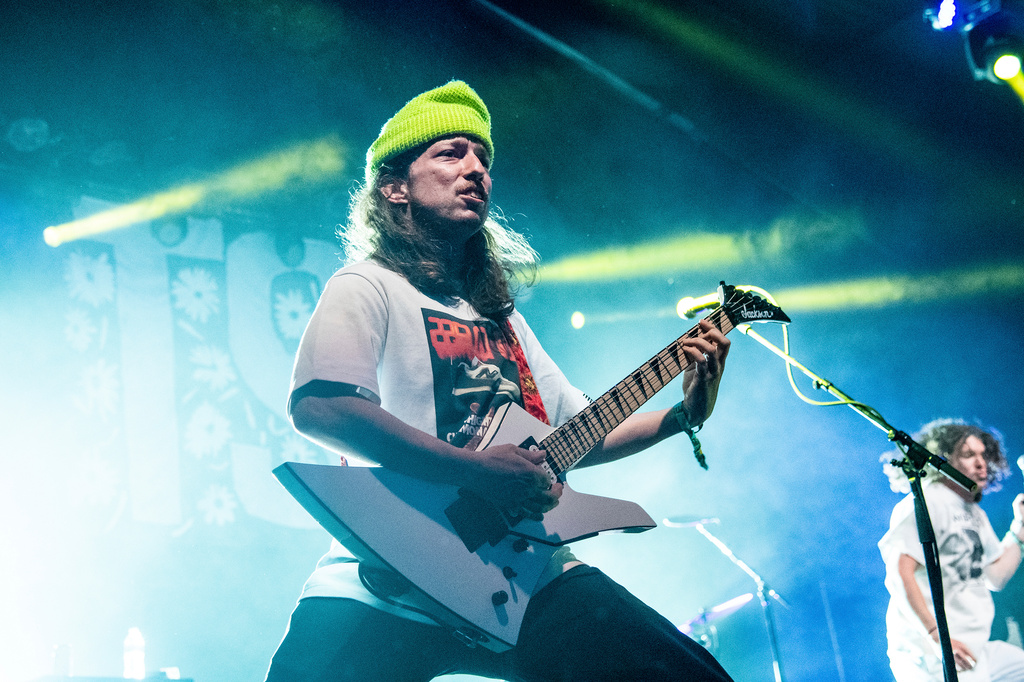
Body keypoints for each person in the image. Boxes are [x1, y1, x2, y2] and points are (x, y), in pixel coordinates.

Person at [264, 80, 734, 682]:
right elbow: (323, 409)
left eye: (483, 158)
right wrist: (474, 470)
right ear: (395, 187)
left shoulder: (502, 317)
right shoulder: (367, 284)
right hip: (386, 575)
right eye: (451, 153)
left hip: (521, 571)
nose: (476, 170)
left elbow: (578, 430)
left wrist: (683, 417)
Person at [878, 418, 1024, 681]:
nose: (981, 463)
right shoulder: (929, 500)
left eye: (983, 455)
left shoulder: (973, 512)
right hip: (932, 654)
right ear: (943, 459)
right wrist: (937, 637)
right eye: (968, 454)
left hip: (975, 648)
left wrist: (1021, 527)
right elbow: (899, 574)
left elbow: (995, 577)